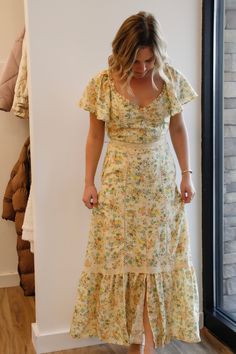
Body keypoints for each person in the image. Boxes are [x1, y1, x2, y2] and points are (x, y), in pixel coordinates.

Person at [70, 11, 201, 354]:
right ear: (122, 52)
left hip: (159, 185)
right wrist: (88, 181)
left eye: (149, 59)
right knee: (125, 264)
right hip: (118, 187)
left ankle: (147, 345)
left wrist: (187, 174)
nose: (143, 68)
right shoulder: (101, 83)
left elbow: (177, 129)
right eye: (136, 61)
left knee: (154, 264)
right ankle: (135, 345)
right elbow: (95, 135)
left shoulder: (169, 79)